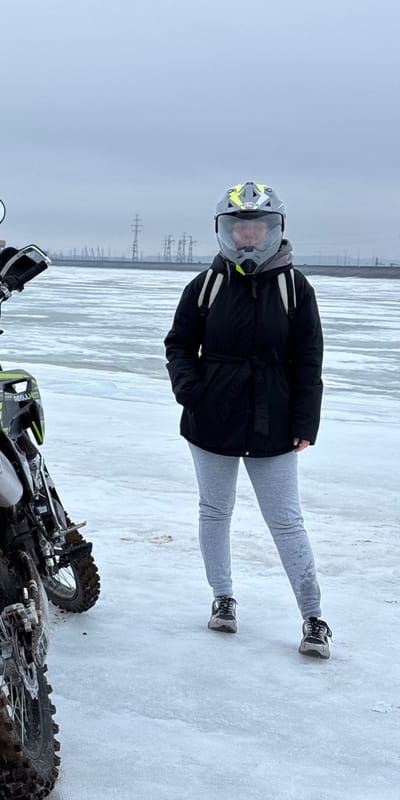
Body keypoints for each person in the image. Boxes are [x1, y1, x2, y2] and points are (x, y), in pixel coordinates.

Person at [164, 181, 332, 659]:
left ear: (274, 231)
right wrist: (191, 393)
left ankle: (313, 618)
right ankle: (222, 598)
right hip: (210, 418)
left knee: (285, 521)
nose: (249, 237)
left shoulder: (294, 288)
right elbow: (178, 345)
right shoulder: (207, 286)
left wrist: (306, 422)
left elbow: (309, 361)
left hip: (274, 421)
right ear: (226, 233)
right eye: (240, 229)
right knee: (215, 512)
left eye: (258, 228)